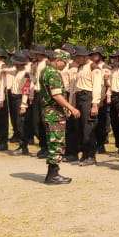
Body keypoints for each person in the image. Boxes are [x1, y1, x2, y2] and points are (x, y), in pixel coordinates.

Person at [39, 49, 81, 185]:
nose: (65, 65)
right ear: (58, 60)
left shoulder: (44, 71)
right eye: (64, 62)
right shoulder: (53, 74)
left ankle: (53, 173)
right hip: (54, 113)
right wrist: (71, 108)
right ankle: (52, 175)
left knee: (53, 142)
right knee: (56, 143)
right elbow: (57, 95)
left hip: (48, 111)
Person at [8, 51, 31, 154]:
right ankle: (21, 145)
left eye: (15, 63)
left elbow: (26, 90)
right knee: (16, 123)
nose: (14, 64)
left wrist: (23, 105)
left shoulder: (26, 74)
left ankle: (23, 146)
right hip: (14, 98)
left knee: (20, 123)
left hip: (20, 99)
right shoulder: (17, 72)